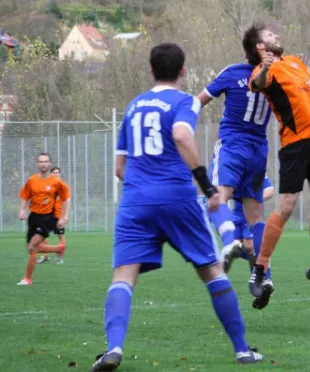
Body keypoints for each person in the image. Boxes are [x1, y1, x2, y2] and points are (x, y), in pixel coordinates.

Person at [90, 43, 263, 371]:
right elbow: (182, 135)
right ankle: (242, 350)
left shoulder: (134, 105)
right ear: (183, 71)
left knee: (123, 277)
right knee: (212, 271)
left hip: (135, 202)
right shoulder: (183, 102)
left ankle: (113, 348)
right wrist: (207, 186)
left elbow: (119, 168)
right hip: (178, 198)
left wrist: (143, 188)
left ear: (151, 70)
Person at [242, 23, 310, 299]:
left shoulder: (295, 62)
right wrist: (266, 66)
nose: (276, 36)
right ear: (260, 46)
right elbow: (259, 84)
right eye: (269, 35)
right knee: (287, 206)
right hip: (294, 145)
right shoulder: (262, 71)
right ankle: (261, 265)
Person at [196, 57, 274, 307]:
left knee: (216, 199)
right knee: (257, 219)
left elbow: (200, 100)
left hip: (233, 146)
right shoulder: (277, 75)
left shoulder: (233, 72)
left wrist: (180, 121)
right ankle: (265, 276)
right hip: (258, 148)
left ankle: (229, 243)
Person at [17, 153, 69, 285]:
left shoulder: (57, 182)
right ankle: (28, 278)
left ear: (49, 163)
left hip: (48, 218)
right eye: (41, 161)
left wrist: (64, 217)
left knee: (33, 245)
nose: (43, 164)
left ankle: (28, 279)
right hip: (33, 217)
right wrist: (22, 210)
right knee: (31, 249)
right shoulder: (32, 180)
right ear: (37, 164)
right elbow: (24, 196)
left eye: (46, 161)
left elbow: (66, 199)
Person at [230, 175, 275, 309]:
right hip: (234, 218)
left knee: (251, 247)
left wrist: (254, 198)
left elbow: (270, 190)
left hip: (250, 218)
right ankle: (260, 271)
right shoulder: (226, 166)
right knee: (234, 249)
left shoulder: (254, 167)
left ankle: (264, 278)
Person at [37, 166, 69, 265]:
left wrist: (65, 216)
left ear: (59, 174)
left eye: (57, 172)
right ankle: (46, 256)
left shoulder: (63, 187)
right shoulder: (48, 186)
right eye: (54, 172)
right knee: (40, 235)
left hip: (59, 216)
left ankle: (60, 258)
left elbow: (67, 201)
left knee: (60, 236)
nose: (56, 174)